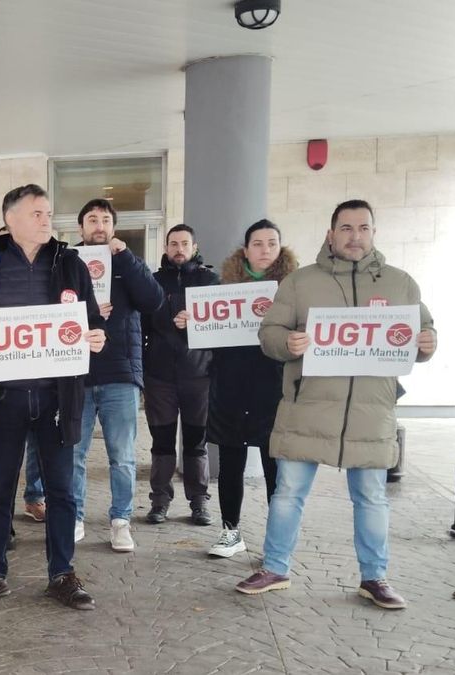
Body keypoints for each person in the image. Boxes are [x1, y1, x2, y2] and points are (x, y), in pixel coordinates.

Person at [236, 199, 436, 610]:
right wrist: (285, 343)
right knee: (288, 492)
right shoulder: (301, 282)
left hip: (371, 409)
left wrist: (427, 345)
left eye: (363, 227)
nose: (355, 235)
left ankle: (374, 577)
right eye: (346, 228)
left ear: (374, 233)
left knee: (372, 496)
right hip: (308, 405)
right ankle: (274, 567)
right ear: (331, 234)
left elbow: (422, 331)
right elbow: (269, 331)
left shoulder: (401, 284)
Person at [0, 184, 107, 611]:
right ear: (11, 218)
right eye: (37, 212)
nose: (46, 219)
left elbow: (91, 319)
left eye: (48, 212)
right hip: (5, 398)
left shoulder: (70, 262)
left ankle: (62, 574)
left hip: (56, 397)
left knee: (62, 490)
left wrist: (96, 336)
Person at [71, 199, 163, 552]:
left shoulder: (127, 262)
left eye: (105, 220)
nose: (99, 225)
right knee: (73, 454)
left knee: (122, 455)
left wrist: (124, 257)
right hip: (78, 373)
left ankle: (121, 520)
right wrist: (84, 314)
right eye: (91, 219)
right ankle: (75, 516)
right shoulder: (67, 263)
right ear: (80, 228)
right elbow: (51, 308)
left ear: (114, 227)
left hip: (120, 373)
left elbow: (154, 301)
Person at [205, 220, 297, 558]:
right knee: (230, 462)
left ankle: (276, 540)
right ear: (246, 250)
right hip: (231, 386)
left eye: (271, 243)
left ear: (280, 248)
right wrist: (192, 324)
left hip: (274, 388)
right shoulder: (223, 287)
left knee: (276, 466)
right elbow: (207, 338)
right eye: (257, 244)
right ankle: (230, 531)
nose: (265, 250)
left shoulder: (294, 289)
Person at [142, 224, 220, 526]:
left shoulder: (211, 281)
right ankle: (159, 501)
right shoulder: (152, 282)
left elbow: (219, 328)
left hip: (199, 375)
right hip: (160, 377)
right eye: (173, 243)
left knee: (196, 442)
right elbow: (142, 328)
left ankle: (199, 502)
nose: (178, 249)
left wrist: (196, 321)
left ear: (194, 247)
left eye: (184, 243)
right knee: (161, 443)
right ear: (165, 247)